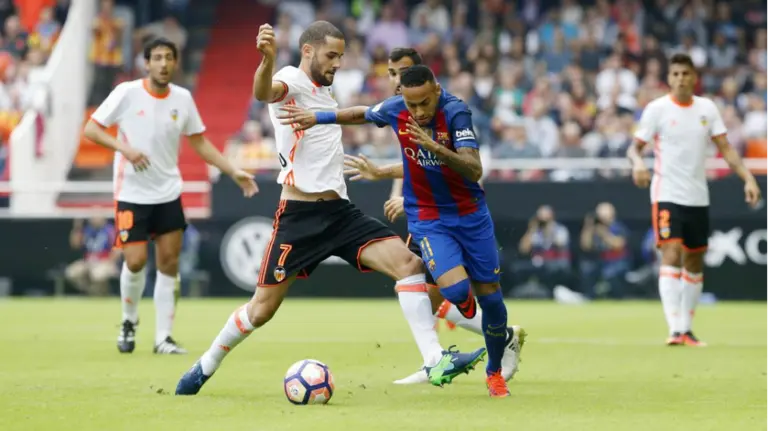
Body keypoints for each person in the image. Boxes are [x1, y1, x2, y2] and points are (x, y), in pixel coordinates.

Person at [175, 22, 485, 396]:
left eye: (340, 55)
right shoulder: (290, 78)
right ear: (308, 51)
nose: (338, 63)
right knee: (261, 310)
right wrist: (267, 60)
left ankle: (434, 360)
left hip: (340, 212)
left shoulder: (325, 92)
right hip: (299, 216)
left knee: (409, 265)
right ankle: (205, 365)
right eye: (331, 55)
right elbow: (263, 92)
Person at [281, 64, 518, 397]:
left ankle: (494, 373)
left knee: (492, 300)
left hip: (470, 216)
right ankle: (461, 313)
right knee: (457, 294)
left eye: (424, 103)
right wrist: (318, 117)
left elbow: (474, 167)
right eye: (411, 104)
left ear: (436, 90)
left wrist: (433, 147)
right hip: (429, 217)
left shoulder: (456, 112)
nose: (418, 111)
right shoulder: (396, 108)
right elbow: (360, 113)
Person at [353, 47, 524, 385]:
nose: (393, 81)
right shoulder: (403, 110)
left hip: (451, 212)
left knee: (419, 285)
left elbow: (457, 165)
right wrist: (390, 182)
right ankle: (438, 356)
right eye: (389, 74)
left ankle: (476, 344)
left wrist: (407, 196)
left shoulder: (447, 112)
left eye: (396, 73)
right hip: (427, 210)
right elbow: (411, 159)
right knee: (423, 289)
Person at [83, 37, 258, 355]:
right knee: (135, 262)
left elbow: (200, 143)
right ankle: (129, 321)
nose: (163, 64)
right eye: (157, 58)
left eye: (169, 58)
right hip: (131, 193)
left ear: (176, 63)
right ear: (146, 63)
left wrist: (233, 171)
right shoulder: (127, 93)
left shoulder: (182, 99)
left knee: (168, 263)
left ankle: (163, 337)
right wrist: (126, 149)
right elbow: (92, 130)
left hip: (167, 193)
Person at [627, 52, 762, 346]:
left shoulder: (707, 109)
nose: (680, 79)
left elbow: (726, 149)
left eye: (685, 74)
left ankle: (686, 328)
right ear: (669, 78)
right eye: (675, 74)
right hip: (666, 193)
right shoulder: (656, 109)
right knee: (671, 251)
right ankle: (675, 328)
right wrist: (637, 163)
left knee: (695, 259)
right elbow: (634, 148)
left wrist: (748, 178)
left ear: (694, 78)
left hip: (697, 196)